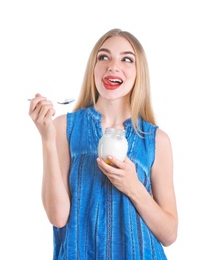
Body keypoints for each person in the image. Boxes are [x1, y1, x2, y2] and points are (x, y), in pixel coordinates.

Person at [29, 28, 178, 259]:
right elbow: (58, 217)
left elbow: (169, 234)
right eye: (103, 57)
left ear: (139, 73)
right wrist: (47, 139)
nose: (112, 66)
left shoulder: (157, 140)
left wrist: (133, 186)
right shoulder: (62, 128)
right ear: (93, 68)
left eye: (127, 59)